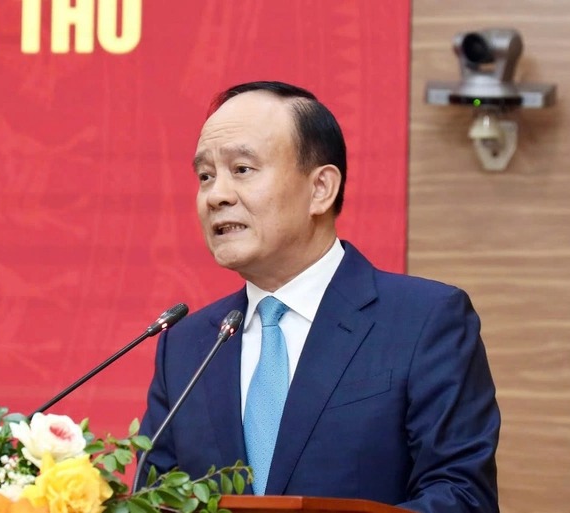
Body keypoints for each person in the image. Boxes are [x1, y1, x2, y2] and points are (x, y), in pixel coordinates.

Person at [139, 81, 500, 513]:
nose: (216, 195)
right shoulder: (187, 347)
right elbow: (151, 500)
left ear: (321, 189)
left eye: (242, 169)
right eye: (205, 176)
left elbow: (462, 497)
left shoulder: (424, 320)